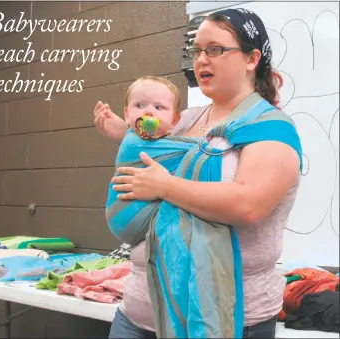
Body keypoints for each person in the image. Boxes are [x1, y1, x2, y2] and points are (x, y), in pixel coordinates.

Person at [94, 8, 302, 339]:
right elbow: (157, 142)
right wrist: (121, 129)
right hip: (139, 312)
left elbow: (248, 205)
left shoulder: (271, 129)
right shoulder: (187, 118)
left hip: (228, 320)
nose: (201, 60)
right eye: (197, 50)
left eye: (215, 49)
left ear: (251, 58)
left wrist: (164, 186)